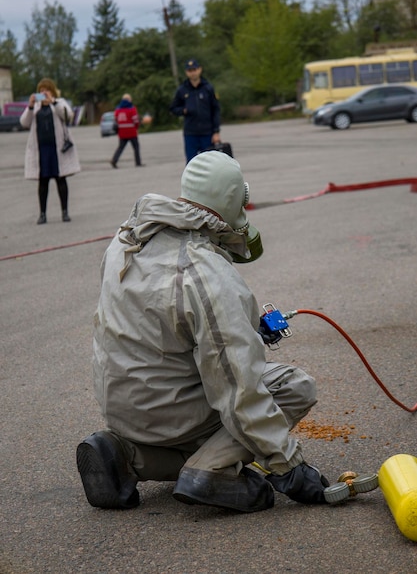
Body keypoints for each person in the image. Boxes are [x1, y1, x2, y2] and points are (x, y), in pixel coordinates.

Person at [76, 150, 330, 512]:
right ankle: (209, 471)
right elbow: (237, 387)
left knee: (217, 419)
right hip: (172, 411)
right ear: (234, 202)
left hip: (124, 408)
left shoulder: (126, 240)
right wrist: (288, 466)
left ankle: (127, 456)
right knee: (293, 386)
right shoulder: (206, 273)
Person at [20, 78, 80, 224]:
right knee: (43, 182)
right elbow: (24, 123)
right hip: (41, 150)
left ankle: (65, 212)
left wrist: (53, 101)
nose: (43, 93)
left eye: (46, 90)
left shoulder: (59, 103)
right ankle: (42, 214)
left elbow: (68, 115)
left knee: (61, 180)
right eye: (41, 90)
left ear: (52, 91)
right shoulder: (36, 107)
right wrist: (30, 106)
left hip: (57, 149)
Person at [170, 59, 221, 163]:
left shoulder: (208, 88)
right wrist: (183, 110)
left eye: (194, 69)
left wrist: (216, 132)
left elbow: (215, 110)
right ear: (186, 72)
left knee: (209, 163)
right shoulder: (182, 90)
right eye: (190, 70)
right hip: (191, 133)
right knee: (192, 163)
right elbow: (173, 108)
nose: (192, 73)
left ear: (199, 70)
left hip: (207, 132)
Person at [111, 94, 142, 168]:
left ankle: (114, 160)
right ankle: (138, 162)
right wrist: (136, 128)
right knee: (136, 147)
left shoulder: (118, 109)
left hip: (122, 132)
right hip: (131, 131)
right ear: (129, 100)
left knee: (121, 147)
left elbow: (115, 120)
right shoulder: (132, 108)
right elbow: (136, 120)